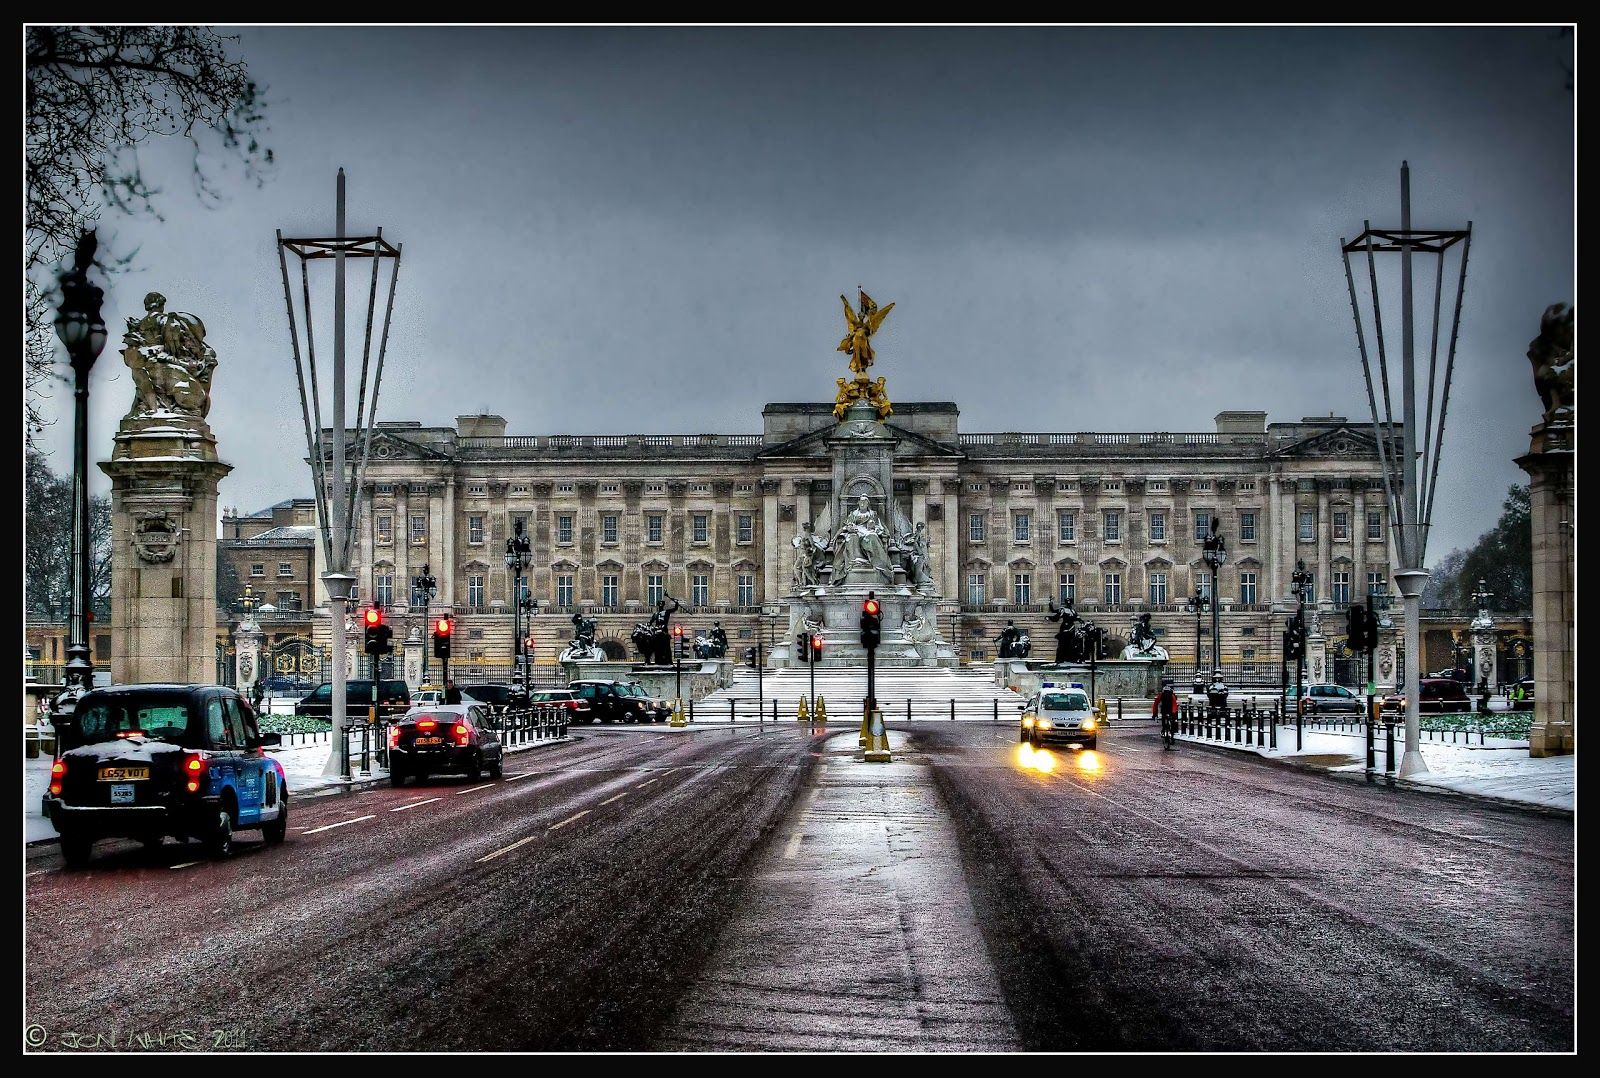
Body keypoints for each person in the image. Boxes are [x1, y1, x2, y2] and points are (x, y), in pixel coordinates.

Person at [1153, 680, 1180, 748]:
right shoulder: (1170, 695)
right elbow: (1174, 704)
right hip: (1168, 709)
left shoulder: (1162, 695)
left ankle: (1168, 733)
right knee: (1170, 722)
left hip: (1166, 709)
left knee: (1167, 721)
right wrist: (1174, 713)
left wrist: (1154, 714)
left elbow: (1156, 704)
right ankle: (1171, 734)